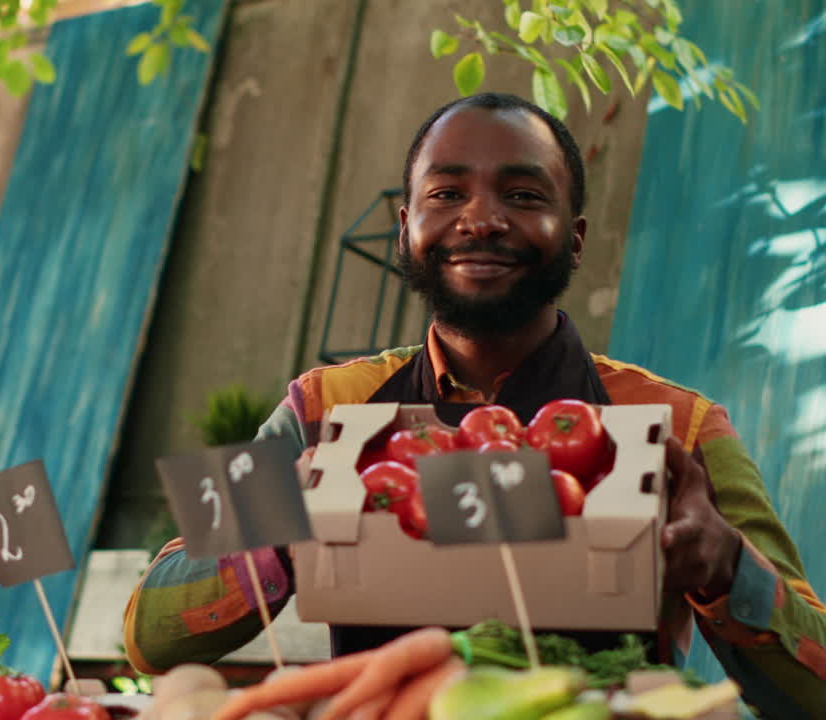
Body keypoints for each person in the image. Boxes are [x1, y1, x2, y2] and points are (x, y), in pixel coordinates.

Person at [122, 93, 826, 716]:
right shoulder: (321, 411)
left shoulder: (678, 425)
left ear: (574, 239)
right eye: (446, 194)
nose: (481, 220)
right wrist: (274, 538)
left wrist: (725, 568)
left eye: (523, 196)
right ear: (405, 228)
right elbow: (147, 632)